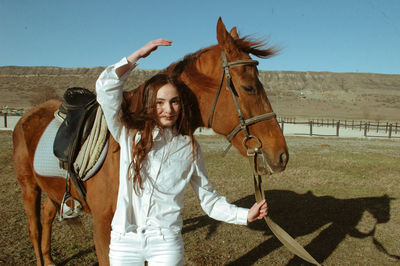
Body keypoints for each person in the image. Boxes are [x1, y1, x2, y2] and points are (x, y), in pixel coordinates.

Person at [96, 39, 268, 266]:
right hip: (124, 241)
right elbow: (105, 87)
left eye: (174, 102)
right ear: (150, 104)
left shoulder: (190, 148)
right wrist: (137, 56)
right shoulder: (129, 135)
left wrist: (244, 215)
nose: (168, 109)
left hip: (165, 244)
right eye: (160, 102)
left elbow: (209, 200)